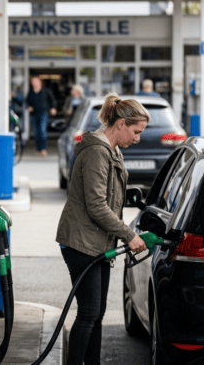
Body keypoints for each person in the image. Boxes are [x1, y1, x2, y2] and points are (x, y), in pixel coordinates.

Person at [55, 93, 150, 365]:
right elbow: (96, 205)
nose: (138, 138)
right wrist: (129, 235)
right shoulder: (98, 151)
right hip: (81, 242)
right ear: (120, 123)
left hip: (99, 243)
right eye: (136, 131)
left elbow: (110, 196)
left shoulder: (113, 150)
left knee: (96, 313)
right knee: (88, 313)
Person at [26, 76, 57, 155]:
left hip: (43, 113)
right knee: (36, 132)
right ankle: (38, 149)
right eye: (33, 82)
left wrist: (53, 108)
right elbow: (27, 101)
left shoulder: (46, 91)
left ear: (40, 82)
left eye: (36, 81)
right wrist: (29, 107)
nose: (34, 83)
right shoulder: (31, 92)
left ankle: (43, 148)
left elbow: (52, 99)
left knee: (42, 131)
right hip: (34, 114)